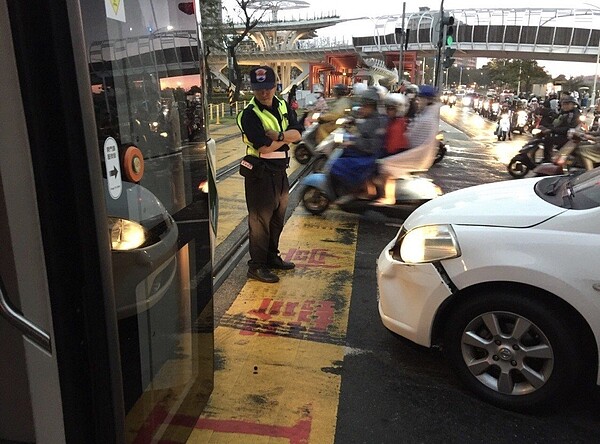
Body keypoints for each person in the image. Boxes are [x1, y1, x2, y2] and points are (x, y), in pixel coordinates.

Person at [236, 66, 303, 283]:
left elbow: (298, 133)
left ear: (275, 86)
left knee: (277, 220)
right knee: (259, 223)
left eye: (267, 87)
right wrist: (287, 138)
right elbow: (263, 148)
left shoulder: (283, 105)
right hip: (260, 175)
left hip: (281, 173)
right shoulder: (249, 114)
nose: (264, 93)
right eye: (258, 88)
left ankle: (272, 257)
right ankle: (256, 266)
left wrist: (279, 135)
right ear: (253, 89)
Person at [329, 86, 387, 200]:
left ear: (372, 106)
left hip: (370, 155)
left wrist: (352, 142)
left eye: (365, 106)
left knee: (339, 165)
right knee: (344, 154)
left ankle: (356, 191)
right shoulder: (373, 117)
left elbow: (371, 145)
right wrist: (353, 122)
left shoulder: (377, 121)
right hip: (365, 150)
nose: (362, 108)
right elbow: (361, 125)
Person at [374, 93, 410, 204]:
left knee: (379, 171)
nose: (388, 111)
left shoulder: (398, 124)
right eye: (387, 108)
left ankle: (387, 197)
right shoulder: (392, 121)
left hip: (395, 154)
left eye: (391, 109)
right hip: (391, 151)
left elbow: (392, 146)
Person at [542, 95, 581, 162]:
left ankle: (547, 160)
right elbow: (555, 122)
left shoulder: (574, 115)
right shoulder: (563, 113)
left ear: (573, 104)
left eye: (567, 104)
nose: (564, 106)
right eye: (563, 104)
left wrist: (552, 130)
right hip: (561, 134)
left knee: (548, 140)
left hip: (569, 138)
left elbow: (567, 128)